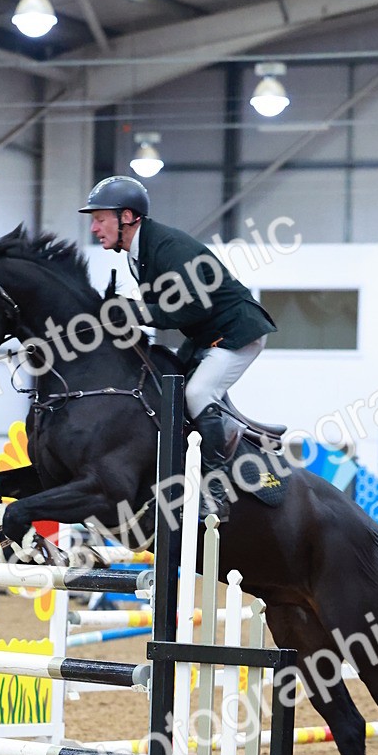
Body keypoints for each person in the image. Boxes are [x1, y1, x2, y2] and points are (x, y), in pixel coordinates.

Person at [79, 175, 277, 519]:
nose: (95, 228)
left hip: (237, 333)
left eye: (100, 219)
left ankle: (215, 488)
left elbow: (190, 308)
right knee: (162, 385)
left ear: (127, 216)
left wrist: (133, 312)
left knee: (197, 393)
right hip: (205, 337)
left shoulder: (168, 246)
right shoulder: (136, 253)